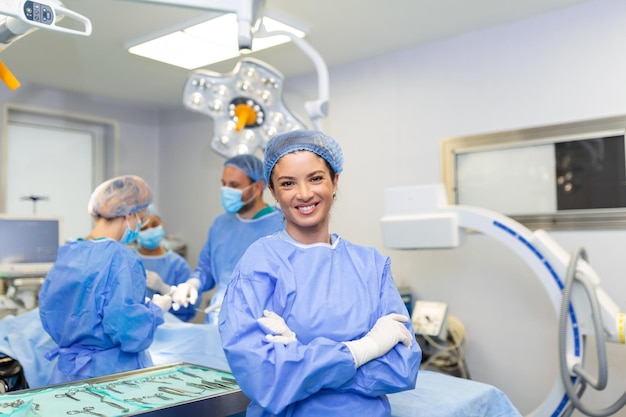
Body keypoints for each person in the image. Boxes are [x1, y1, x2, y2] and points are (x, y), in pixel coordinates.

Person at [218, 130, 422, 417]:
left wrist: (303, 359)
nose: (304, 194)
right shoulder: (260, 264)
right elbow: (264, 378)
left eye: (315, 178)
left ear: (335, 181)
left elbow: (403, 367)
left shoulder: (371, 265)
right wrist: (365, 348)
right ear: (274, 193)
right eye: (288, 183)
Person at [38, 175, 172, 384]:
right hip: (110, 376)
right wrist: (156, 311)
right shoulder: (120, 258)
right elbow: (129, 332)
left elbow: (50, 313)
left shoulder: (68, 252)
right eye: (142, 217)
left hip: (66, 375)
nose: (140, 224)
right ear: (130, 214)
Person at [171, 154, 284, 324]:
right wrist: (193, 283)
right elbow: (206, 268)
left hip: (261, 324)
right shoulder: (221, 224)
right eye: (224, 184)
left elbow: (288, 284)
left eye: (234, 185)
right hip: (217, 317)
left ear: (257, 187)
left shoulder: (281, 225)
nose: (226, 190)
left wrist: (245, 305)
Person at [137, 205, 197, 322]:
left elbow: (190, 308)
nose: (150, 230)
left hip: (173, 331)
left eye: (154, 225)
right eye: (143, 227)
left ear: (162, 224)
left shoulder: (178, 264)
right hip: (139, 331)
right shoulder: (129, 262)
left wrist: (165, 289)